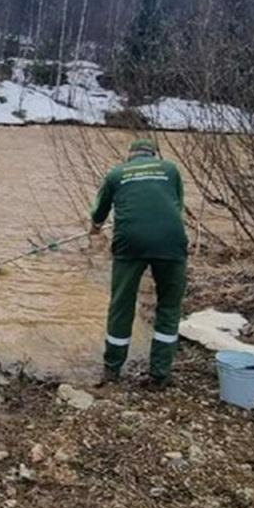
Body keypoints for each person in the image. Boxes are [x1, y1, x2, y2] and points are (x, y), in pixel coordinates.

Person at [88, 138, 188, 388]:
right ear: (153, 155)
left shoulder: (116, 174)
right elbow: (177, 204)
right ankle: (160, 374)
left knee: (121, 304)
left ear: (130, 156)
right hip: (171, 240)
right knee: (169, 306)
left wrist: (96, 227)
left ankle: (112, 370)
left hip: (129, 243)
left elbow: (99, 210)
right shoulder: (171, 169)